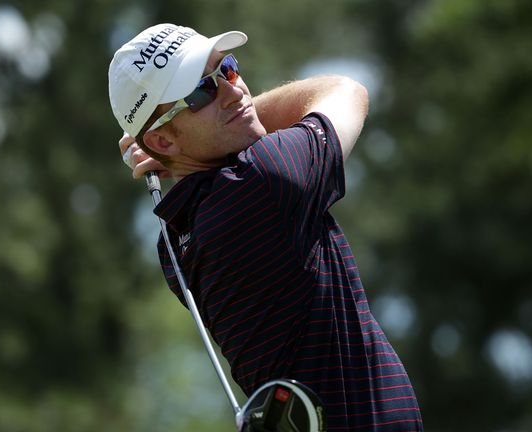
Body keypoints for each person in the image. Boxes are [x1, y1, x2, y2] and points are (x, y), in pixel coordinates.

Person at [108, 24, 423, 431]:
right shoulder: (262, 183)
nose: (234, 90)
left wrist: (178, 143)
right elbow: (346, 91)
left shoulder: (174, 240)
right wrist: (239, 114)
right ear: (164, 141)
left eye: (229, 69)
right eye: (203, 91)